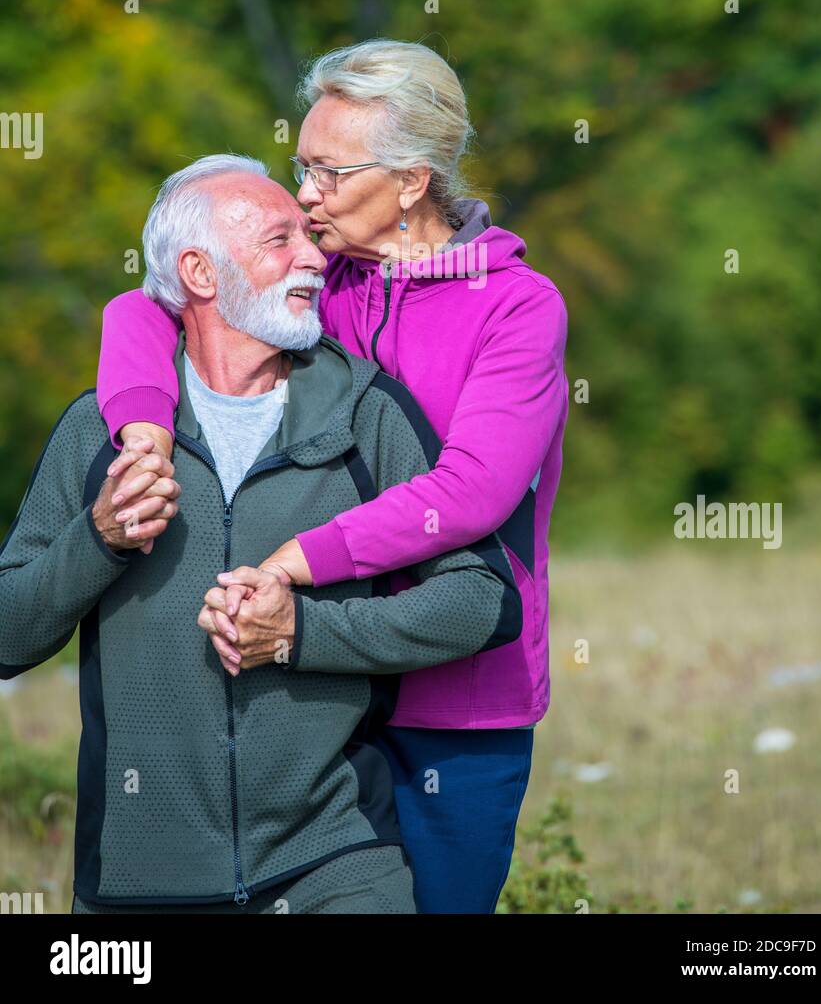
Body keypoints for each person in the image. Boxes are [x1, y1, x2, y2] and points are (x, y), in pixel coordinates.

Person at [96, 39, 570, 914]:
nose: (306, 194)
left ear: (411, 181)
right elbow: (142, 303)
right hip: (315, 688)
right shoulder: (323, 281)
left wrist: (291, 560)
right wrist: (145, 433)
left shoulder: (518, 307)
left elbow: (468, 494)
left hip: (455, 703)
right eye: (299, 167)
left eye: (327, 171)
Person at [0, 155, 520, 913]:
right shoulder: (99, 434)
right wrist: (100, 538)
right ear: (201, 275)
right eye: (281, 240)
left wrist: (302, 633)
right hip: (138, 887)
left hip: (338, 865)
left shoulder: (368, 416)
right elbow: (9, 634)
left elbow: (481, 603)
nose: (315, 255)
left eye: (307, 236)